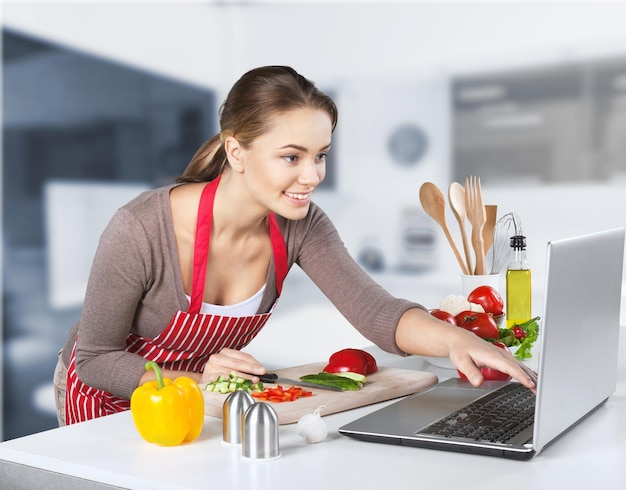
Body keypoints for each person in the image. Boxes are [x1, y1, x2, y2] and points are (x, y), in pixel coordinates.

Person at [53, 65, 536, 426]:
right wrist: (202, 382)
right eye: (292, 157)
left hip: (208, 398)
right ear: (236, 150)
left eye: (320, 156)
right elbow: (96, 359)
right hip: (108, 399)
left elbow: (375, 312)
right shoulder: (140, 229)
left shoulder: (300, 224)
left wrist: (460, 340)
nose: (313, 177)